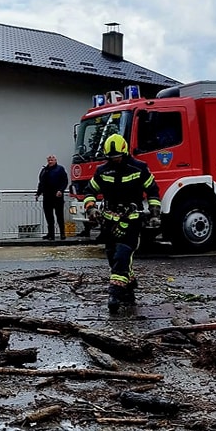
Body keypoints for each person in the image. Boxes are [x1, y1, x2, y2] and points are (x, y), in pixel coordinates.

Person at [83, 134, 161, 313]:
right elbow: (89, 191)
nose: (115, 160)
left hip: (131, 221)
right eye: (111, 157)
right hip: (109, 222)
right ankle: (129, 288)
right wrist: (91, 208)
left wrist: (155, 213)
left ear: (124, 152)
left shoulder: (139, 168)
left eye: (117, 156)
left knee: (122, 255)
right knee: (113, 257)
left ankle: (114, 294)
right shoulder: (102, 171)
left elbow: (152, 190)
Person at [36, 154, 69, 241]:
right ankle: (51, 234)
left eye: (52, 160)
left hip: (57, 196)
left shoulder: (60, 169)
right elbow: (41, 183)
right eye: (49, 160)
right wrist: (38, 193)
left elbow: (65, 181)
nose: (50, 161)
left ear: (55, 160)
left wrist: (61, 190)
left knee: (59, 216)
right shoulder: (44, 170)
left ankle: (62, 234)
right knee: (49, 216)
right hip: (47, 196)